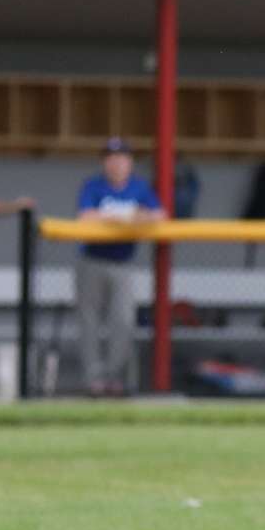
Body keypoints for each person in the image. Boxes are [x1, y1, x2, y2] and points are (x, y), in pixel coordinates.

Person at [74, 138, 165, 397]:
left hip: (123, 263)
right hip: (92, 261)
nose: (116, 163)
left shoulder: (139, 187)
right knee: (89, 322)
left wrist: (125, 217)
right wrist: (126, 216)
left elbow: (159, 215)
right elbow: (85, 217)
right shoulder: (93, 185)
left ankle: (114, 377)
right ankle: (93, 380)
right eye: (111, 158)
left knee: (123, 321)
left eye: (121, 158)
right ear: (105, 162)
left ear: (129, 162)